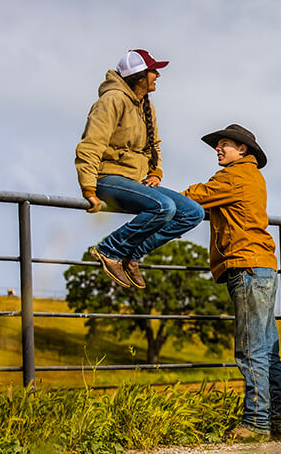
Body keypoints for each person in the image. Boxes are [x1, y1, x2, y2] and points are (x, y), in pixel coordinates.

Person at [183, 124, 281, 441]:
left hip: (246, 267)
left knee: (250, 349)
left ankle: (256, 422)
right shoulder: (254, 176)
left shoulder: (234, 176)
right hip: (263, 266)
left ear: (243, 149)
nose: (218, 148)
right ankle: (279, 420)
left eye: (224, 144)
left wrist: (158, 201)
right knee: (268, 350)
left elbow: (196, 197)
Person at [74, 49, 204, 288]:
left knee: (193, 212)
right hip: (106, 177)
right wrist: (88, 188)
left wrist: (155, 172)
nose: (158, 76)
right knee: (164, 206)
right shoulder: (111, 100)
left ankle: (131, 255)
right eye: (154, 71)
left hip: (133, 182)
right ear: (140, 75)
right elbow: (92, 143)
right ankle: (109, 250)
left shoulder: (147, 106)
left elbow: (154, 145)